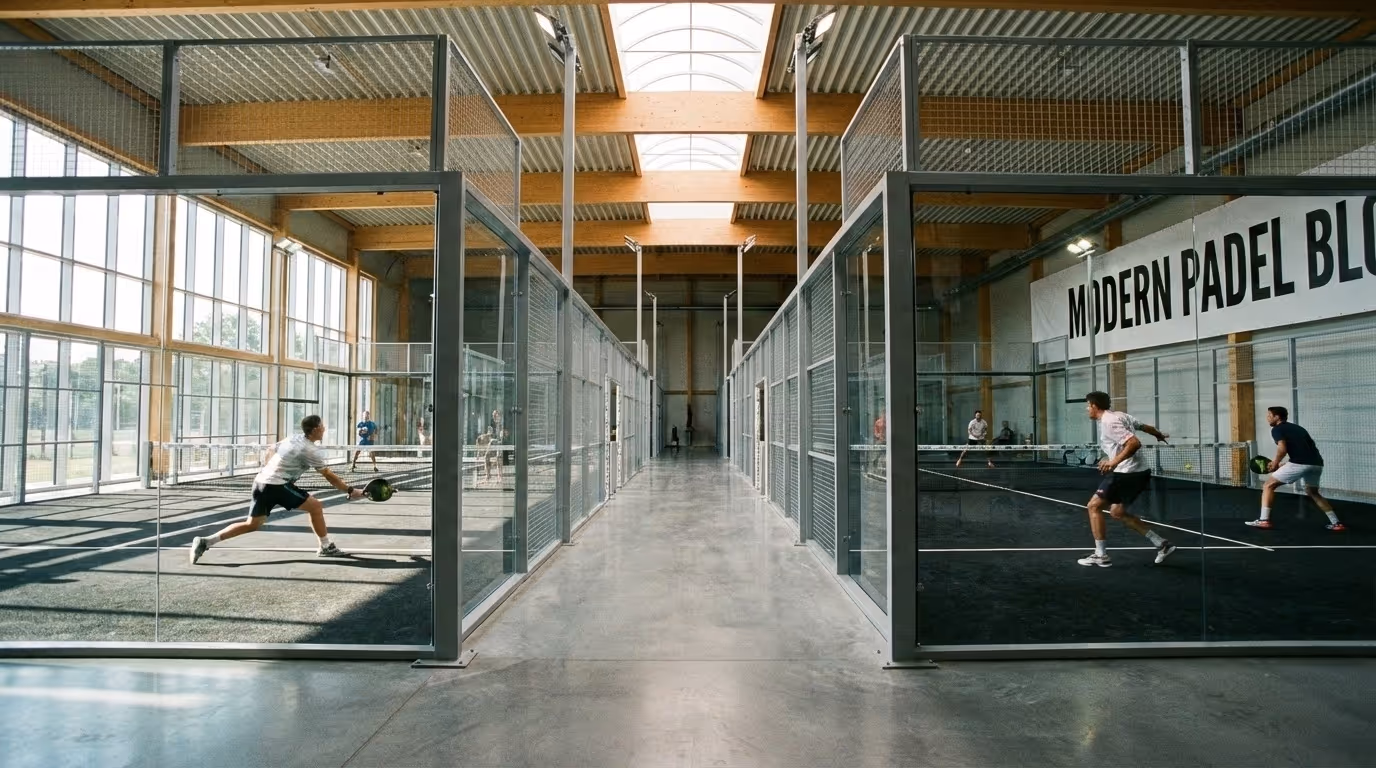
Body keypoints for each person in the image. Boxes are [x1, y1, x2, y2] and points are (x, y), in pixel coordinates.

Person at [189, 415, 363, 564]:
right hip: (276, 485)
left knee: (252, 524)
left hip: (261, 482)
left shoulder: (293, 438)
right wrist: (350, 490)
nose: (324, 428)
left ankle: (206, 541)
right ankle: (325, 546)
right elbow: (328, 475)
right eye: (322, 426)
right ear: (316, 429)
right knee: (315, 506)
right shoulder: (310, 450)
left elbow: (271, 448)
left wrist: (268, 469)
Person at [1076, 391, 1175, 568]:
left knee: (1093, 506)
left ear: (1094, 406)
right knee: (1117, 512)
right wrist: (1158, 434)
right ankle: (1161, 544)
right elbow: (1144, 427)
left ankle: (1101, 555)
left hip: (1126, 472)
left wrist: (1113, 462)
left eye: (1088, 405)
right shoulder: (1120, 416)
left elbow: (1134, 443)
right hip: (1140, 472)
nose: (1087, 409)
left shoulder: (1109, 421)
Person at [1247, 406, 1344, 531]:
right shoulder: (1299, 428)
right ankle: (1336, 523)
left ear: (1277, 417)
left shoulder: (1277, 429)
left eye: (1270, 415)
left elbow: (1282, 448)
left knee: (1268, 485)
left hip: (1299, 464)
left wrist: (1276, 463)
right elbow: (1303, 451)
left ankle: (1264, 520)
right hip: (1316, 464)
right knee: (1313, 492)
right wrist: (1283, 465)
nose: (1267, 418)